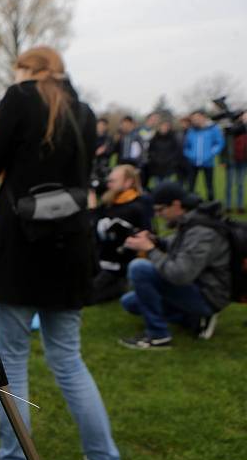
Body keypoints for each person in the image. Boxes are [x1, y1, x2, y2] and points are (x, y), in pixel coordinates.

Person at [0, 46, 122, 460]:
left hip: (21, 249)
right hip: (70, 247)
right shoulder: (86, 111)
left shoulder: (18, 99)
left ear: (28, 70)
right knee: (69, 361)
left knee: (11, 362)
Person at [119, 182, 230, 348]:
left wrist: (150, 250)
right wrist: (156, 242)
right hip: (197, 285)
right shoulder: (191, 220)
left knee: (139, 268)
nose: (158, 215)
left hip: (209, 295)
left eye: (160, 210)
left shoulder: (202, 230)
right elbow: (178, 245)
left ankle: (158, 336)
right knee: (130, 303)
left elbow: (180, 274)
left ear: (176, 205)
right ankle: (192, 318)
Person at [90, 165, 152, 304]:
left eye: (113, 181)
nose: (109, 183)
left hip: (118, 268)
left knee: (87, 295)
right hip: (99, 261)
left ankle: (121, 285)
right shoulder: (110, 201)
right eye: (109, 180)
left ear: (128, 182)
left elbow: (147, 240)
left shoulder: (137, 207)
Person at [184, 110, 225, 201]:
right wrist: (190, 155)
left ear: (203, 117)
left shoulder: (213, 128)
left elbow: (219, 143)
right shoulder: (191, 131)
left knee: (209, 185)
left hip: (208, 162)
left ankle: (211, 205)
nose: (195, 120)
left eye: (197, 118)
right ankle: (190, 205)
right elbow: (186, 146)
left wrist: (211, 153)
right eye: (193, 119)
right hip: (193, 163)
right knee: (191, 185)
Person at [224, 112, 247, 213]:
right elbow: (224, 146)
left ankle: (240, 206)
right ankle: (228, 206)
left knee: (240, 184)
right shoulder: (230, 129)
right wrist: (223, 160)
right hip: (231, 160)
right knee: (229, 184)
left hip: (243, 160)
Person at [147, 120, 182, 187]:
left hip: (168, 167)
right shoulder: (154, 138)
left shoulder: (173, 138)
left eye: (166, 126)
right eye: (162, 126)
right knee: (157, 186)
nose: (164, 128)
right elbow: (150, 151)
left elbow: (176, 152)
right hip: (156, 167)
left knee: (167, 187)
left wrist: (169, 160)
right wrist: (156, 159)